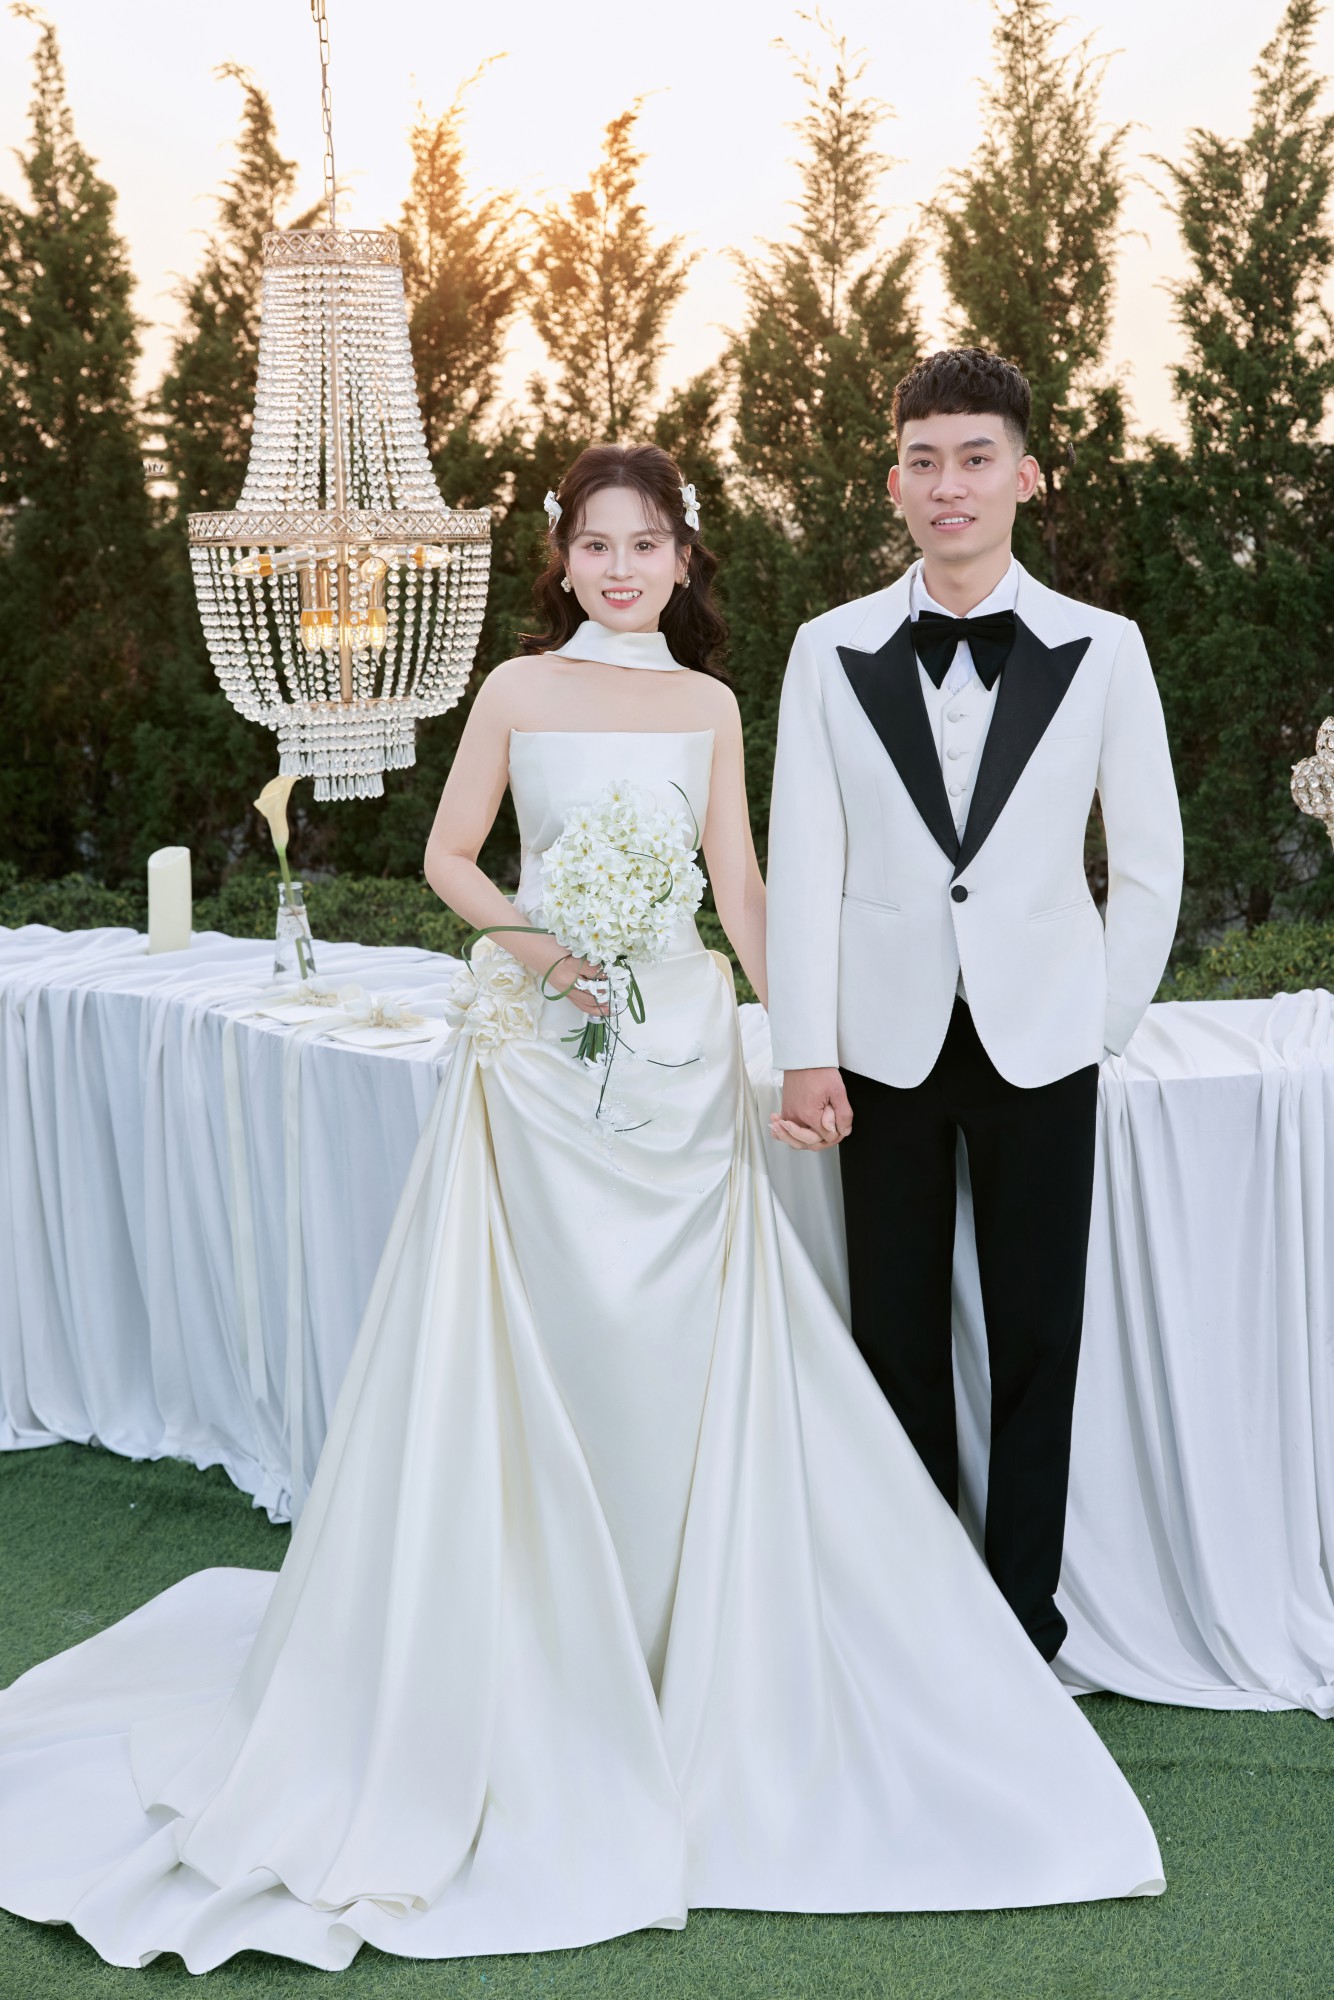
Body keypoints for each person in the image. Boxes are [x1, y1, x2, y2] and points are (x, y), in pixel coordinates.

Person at [0, 444, 1163, 1974]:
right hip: (539, 1061)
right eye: (597, 546)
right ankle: (533, 1647)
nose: (621, 569)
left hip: (677, 1059)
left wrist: (800, 1041)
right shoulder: (512, 690)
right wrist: (537, 945)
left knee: (674, 1359)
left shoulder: (711, 708)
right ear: (563, 561)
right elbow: (448, 857)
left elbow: (741, 888)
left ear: (682, 560)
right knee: (538, 1345)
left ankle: (685, 1646)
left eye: (646, 545)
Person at [766, 348, 1184, 1662]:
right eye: (925, 461)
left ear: (1025, 476)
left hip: (1044, 1042)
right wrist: (804, 1048)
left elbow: (1151, 861)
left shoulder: (1103, 650)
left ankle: (1022, 1626)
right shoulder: (827, 651)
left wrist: (1097, 1027)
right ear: (894, 482)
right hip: (877, 1048)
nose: (950, 484)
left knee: (1037, 1344)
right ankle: (917, 1630)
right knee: (893, 1339)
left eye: (976, 458)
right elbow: (803, 863)